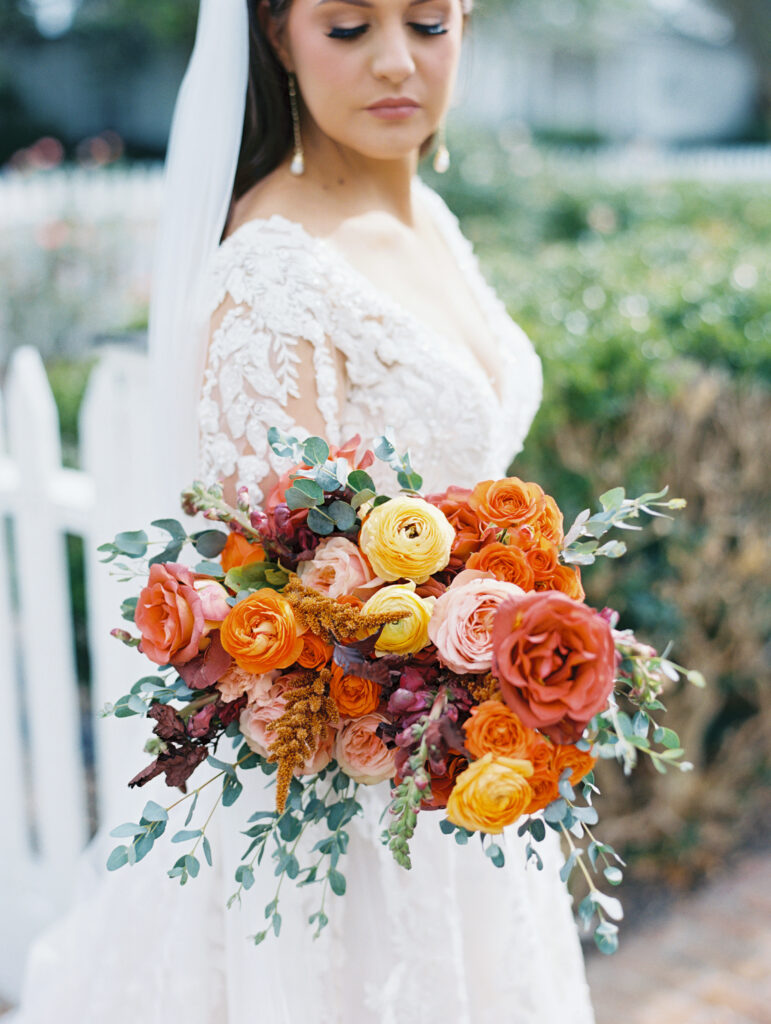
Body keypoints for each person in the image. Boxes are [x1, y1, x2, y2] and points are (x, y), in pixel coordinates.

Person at [11, 0, 596, 1020]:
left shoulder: (429, 218)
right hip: (353, 809)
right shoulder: (273, 273)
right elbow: (285, 596)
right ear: (277, 34)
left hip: (467, 777)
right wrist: (458, 669)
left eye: (426, 23)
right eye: (348, 27)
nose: (395, 62)